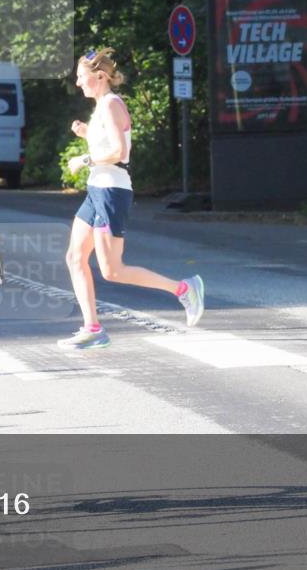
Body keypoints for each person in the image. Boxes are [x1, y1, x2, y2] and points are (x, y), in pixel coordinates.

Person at [59, 48, 204, 349]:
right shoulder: (101, 107)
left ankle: (184, 289)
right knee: (75, 257)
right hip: (98, 190)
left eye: (81, 77)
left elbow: (118, 153)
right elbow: (111, 142)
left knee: (113, 270)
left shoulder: (111, 104)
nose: (78, 83)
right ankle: (93, 327)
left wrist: (84, 159)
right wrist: (88, 133)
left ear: (99, 76)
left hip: (112, 191)